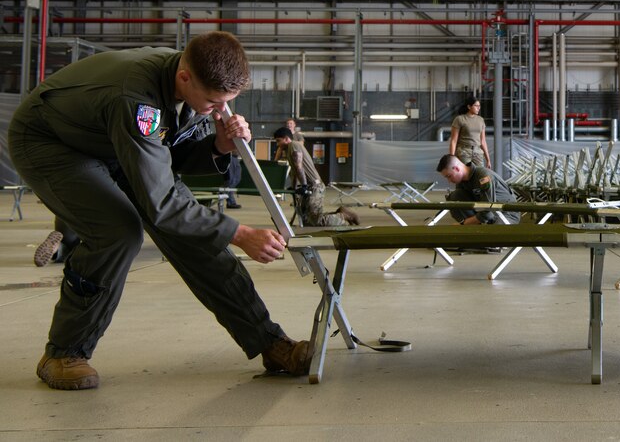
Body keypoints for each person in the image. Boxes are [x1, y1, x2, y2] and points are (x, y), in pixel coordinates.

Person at [7, 31, 313, 390]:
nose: (220, 110)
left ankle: (268, 342)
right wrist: (240, 233)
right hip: (52, 142)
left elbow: (170, 154)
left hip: (112, 143)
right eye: (214, 103)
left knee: (194, 234)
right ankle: (62, 353)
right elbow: (163, 202)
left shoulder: (190, 78)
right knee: (117, 232)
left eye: (227, 103)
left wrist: (219, 144)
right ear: (185, 78)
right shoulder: (138, 99)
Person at [272, 127, 359, 226]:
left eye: (278, 141)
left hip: (315, 186)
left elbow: (299, 167)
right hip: (309, 186)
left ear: (286, 138)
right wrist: (294, 187)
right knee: (307, 221)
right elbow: (294, 171)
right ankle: (340, 213)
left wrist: (304, 186)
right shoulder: (288, 150)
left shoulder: (293, 145)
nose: (277, 144)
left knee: (317, 221)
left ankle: (343, 216)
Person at [435, 154, 518, 225]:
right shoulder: (461, 182)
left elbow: (487, 211)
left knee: (491, 238)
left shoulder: (483, 176)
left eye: (449, 176)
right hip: (488, 213)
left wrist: (464, 224)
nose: (449, 181)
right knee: (455, 197)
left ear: (457, 169)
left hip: (506, 213)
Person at [448, 98, 491, 168]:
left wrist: (488, 159)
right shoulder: (459, 119)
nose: (478, 108)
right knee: (466, 175)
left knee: (480, 175)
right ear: (469, 107)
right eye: (476, 106)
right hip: (464, 152)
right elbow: (453, 141)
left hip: (478, 152)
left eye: (479, 106)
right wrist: (452, 158)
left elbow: (483, 141)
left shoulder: (481, 120)